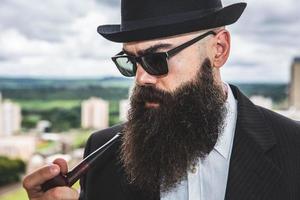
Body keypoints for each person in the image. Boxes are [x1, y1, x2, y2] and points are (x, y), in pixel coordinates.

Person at [23, 0, 300, 199]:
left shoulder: (294, 148)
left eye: (157, 58)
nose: (141, 79)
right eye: (130, 61)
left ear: (219, 49)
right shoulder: (103, 156)